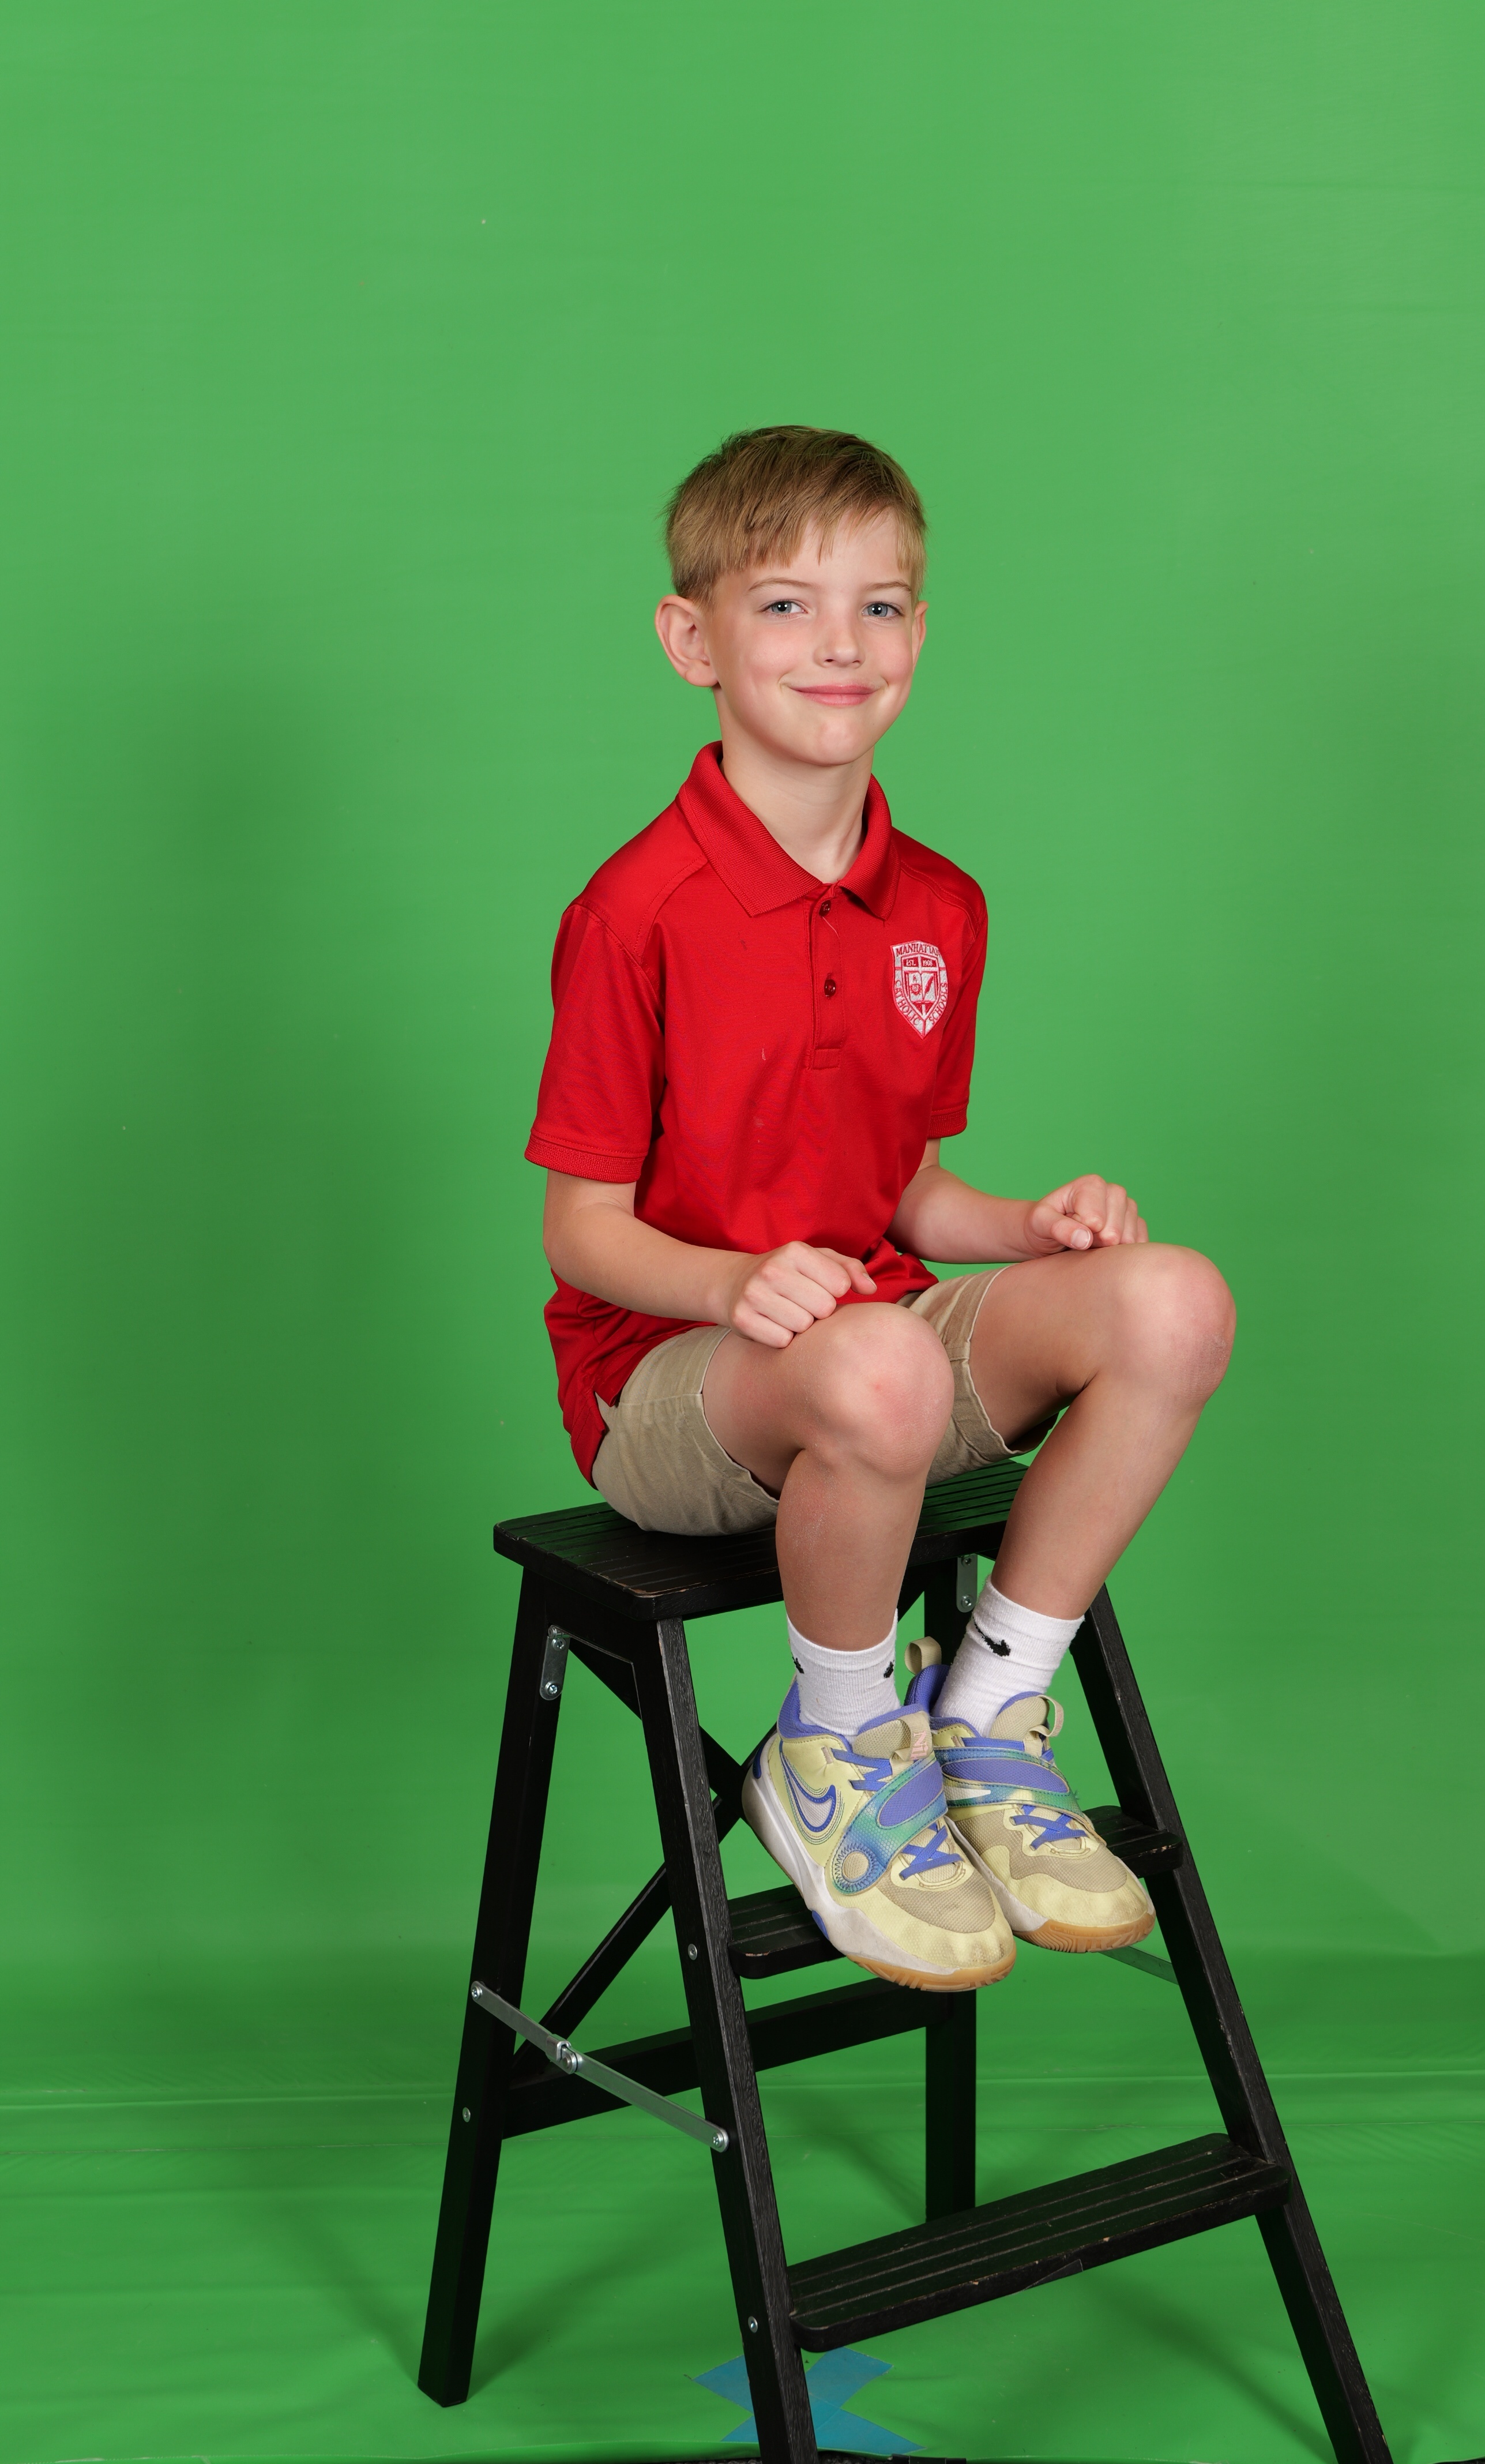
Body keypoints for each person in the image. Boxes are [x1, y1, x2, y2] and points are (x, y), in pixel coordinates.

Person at [526, 427, 1235, 1993]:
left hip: (875, 1347)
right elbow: (582, 1231)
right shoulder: (635, 912)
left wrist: (1029, 1224)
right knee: (879, 1362)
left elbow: (899, 1189)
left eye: (881, 605)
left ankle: (986, 1709)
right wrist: (732, 1286)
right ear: (694, 640)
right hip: (670, 1384)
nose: (839, 644)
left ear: (920, 633)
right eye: (786, 605)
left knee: (1174, 1300)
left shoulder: (942, 904)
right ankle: (838, 1744)